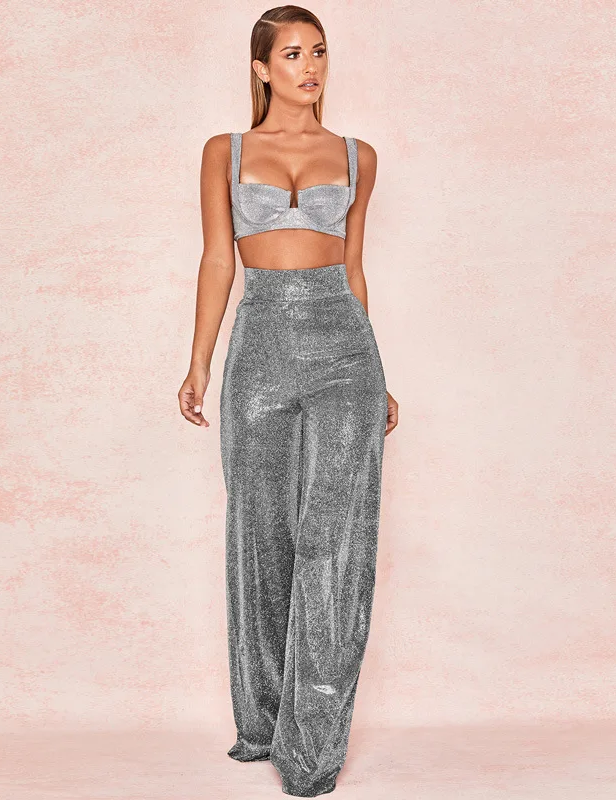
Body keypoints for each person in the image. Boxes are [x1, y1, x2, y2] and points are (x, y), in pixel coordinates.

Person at [178, 6, 399, 796]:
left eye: (320, 53)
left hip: (344, 351)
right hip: (261, 344)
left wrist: (379, 374)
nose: (311, 68)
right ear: (262, 68)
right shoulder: (226, 151)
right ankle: (267, 720)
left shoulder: (358, 155)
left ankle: (313, 746)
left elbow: (355, 267)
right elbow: (218, 260)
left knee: (333, 543)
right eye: (294, 54)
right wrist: (199, 364)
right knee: (261, 536)